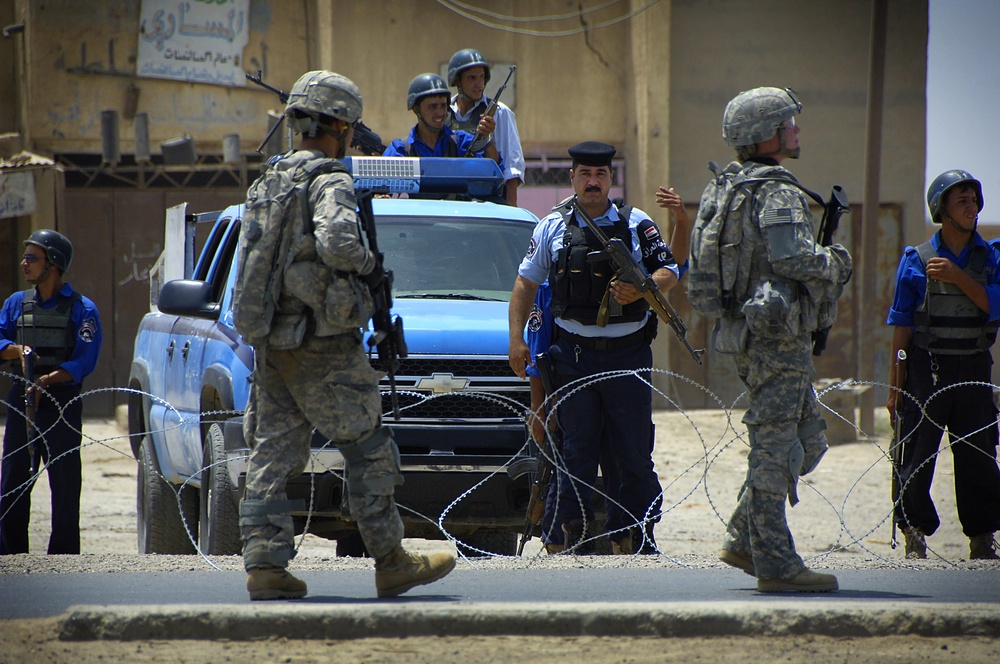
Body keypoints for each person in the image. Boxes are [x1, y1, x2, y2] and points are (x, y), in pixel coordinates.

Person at [237, 70, 455, 601]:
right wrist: (366, 262)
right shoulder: (329, 178)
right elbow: (337, 242)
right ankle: (391, 559)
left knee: (271, 452)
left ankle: (265, 566)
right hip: (322, 345)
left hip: (272, 342)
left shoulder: (267, 180)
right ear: (342, 128)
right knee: (368, 446)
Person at [708, 87, 851, 592]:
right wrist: (838, 263)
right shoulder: (777, 191)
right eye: (789, 122)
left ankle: (743, 538)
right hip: (778, 338)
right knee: (773, 448)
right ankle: (776, 562)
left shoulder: (729, 188)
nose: (796, 131)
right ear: (768, 133)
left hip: (751, 334)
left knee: (806, 439)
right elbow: (794, 260)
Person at [509, 141, 678, 555]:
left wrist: (641, 290)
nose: (592, 182)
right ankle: (569, 536)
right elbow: (525, 285)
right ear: (572, 177)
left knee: (633, 453)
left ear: (610, 179)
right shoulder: (551, 226)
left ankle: (633, 535)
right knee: (576, 450)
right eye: (584, 174)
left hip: (628, 356)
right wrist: (516, 340)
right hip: (575, 357)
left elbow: (670, 268)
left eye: (600, 174)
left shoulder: (636, 222)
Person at [885, 169, 1000, 560]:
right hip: (925, 369)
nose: (972, 208)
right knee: (917, 453)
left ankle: (982, 537)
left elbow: (993, 304)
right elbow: (901, 325)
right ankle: (914, 532)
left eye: (974, 200)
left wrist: (957, 277)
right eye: (961, 201)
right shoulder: (915, 260)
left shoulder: (991, 257)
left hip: (972, 368)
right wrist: (894, 386)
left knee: (979, 455)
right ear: (942, 210)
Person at [0, 230, 102, 555]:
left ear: (53, 264)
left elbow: (85, 360)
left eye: (32, 258)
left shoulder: (82, 309)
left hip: (61, 403)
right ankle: (11, 553)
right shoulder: (16, 304)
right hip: (21, 399)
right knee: (13, 478)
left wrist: (47, 381)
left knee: (65, 482)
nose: (24, 263)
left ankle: (64, 556)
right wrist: (17, 351)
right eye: (25, 256)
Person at [446, 48, 525, 206]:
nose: (479, 84)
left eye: (482, 77)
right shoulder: (445, 112)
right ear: (457, 81)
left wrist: (511, 209)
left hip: (487, 200)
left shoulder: (500, 112)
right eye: (472, 78)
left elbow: (512, 167)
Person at [383, 73, 500, 166]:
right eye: (432, 107)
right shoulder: (401, 149)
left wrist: (486, 137)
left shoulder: (461, 142)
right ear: (416, 109)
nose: (440, 113)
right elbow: (379, 182)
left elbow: (492, 169)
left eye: (443, 106)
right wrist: (381, 194)